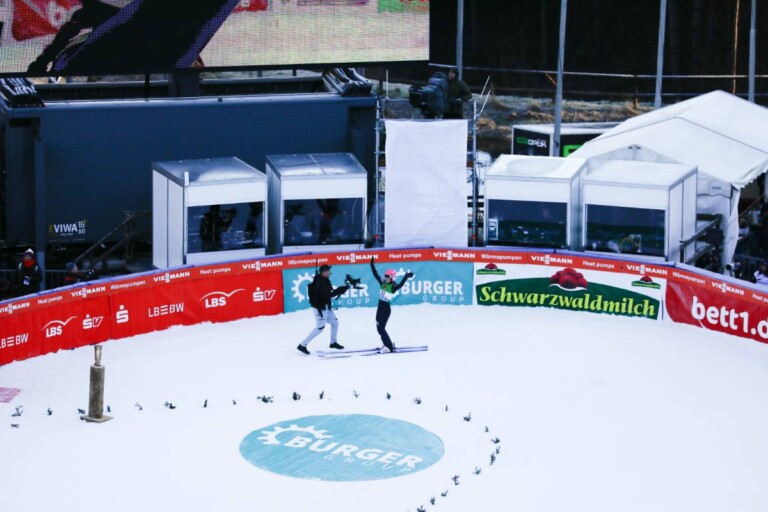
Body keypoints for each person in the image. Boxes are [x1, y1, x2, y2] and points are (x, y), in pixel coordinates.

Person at [27, 0, 130, 74]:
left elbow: (65, 35)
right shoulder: (88, 14)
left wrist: (41, 62)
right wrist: (41, 62)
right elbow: (66, 34)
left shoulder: (94, 11)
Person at [297, 264, 350, 355]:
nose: (330, 272)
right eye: (328, 270)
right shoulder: (320, 283)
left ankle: (333, 343)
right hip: (320, 308)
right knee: (320, 327)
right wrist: (342, 289)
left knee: (335, 323)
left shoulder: (325, 280)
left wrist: (342, 289)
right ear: (324, 272)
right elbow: (329, 295)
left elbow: (330, 292)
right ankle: (302, 345)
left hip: (326, 307)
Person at [370, 256, 414, 353]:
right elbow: (375, 274)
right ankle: (387, 343)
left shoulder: (393, 286)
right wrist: (371, 264)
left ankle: (389, 347)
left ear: (392, 277)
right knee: (379, 328)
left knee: (381, 329)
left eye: (388, 276)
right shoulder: (383, 283)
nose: (385, 278)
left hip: (385, 309)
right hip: (380, 307)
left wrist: (406, 277)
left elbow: (400, 285)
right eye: (385, 276)